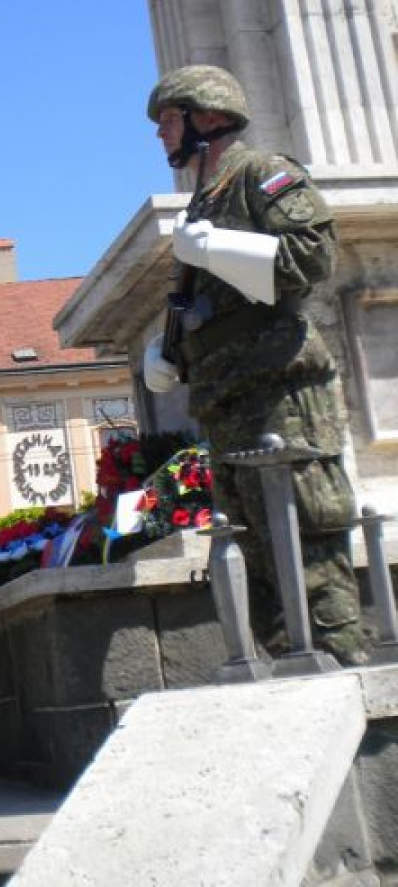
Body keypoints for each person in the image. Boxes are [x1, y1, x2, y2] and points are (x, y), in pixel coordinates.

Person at [142, 64, 368, 667]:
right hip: (226, 401)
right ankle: (295, 673)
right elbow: (204, 302)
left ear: (209, 117)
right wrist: (169, 348)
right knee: (259, 561)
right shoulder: (203, 202)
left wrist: (217, 246)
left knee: (307, 540)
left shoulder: (261, 173)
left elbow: (312, 257)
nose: (161, 132)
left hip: (281, 392)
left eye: (169, 118)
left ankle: (348, 674)